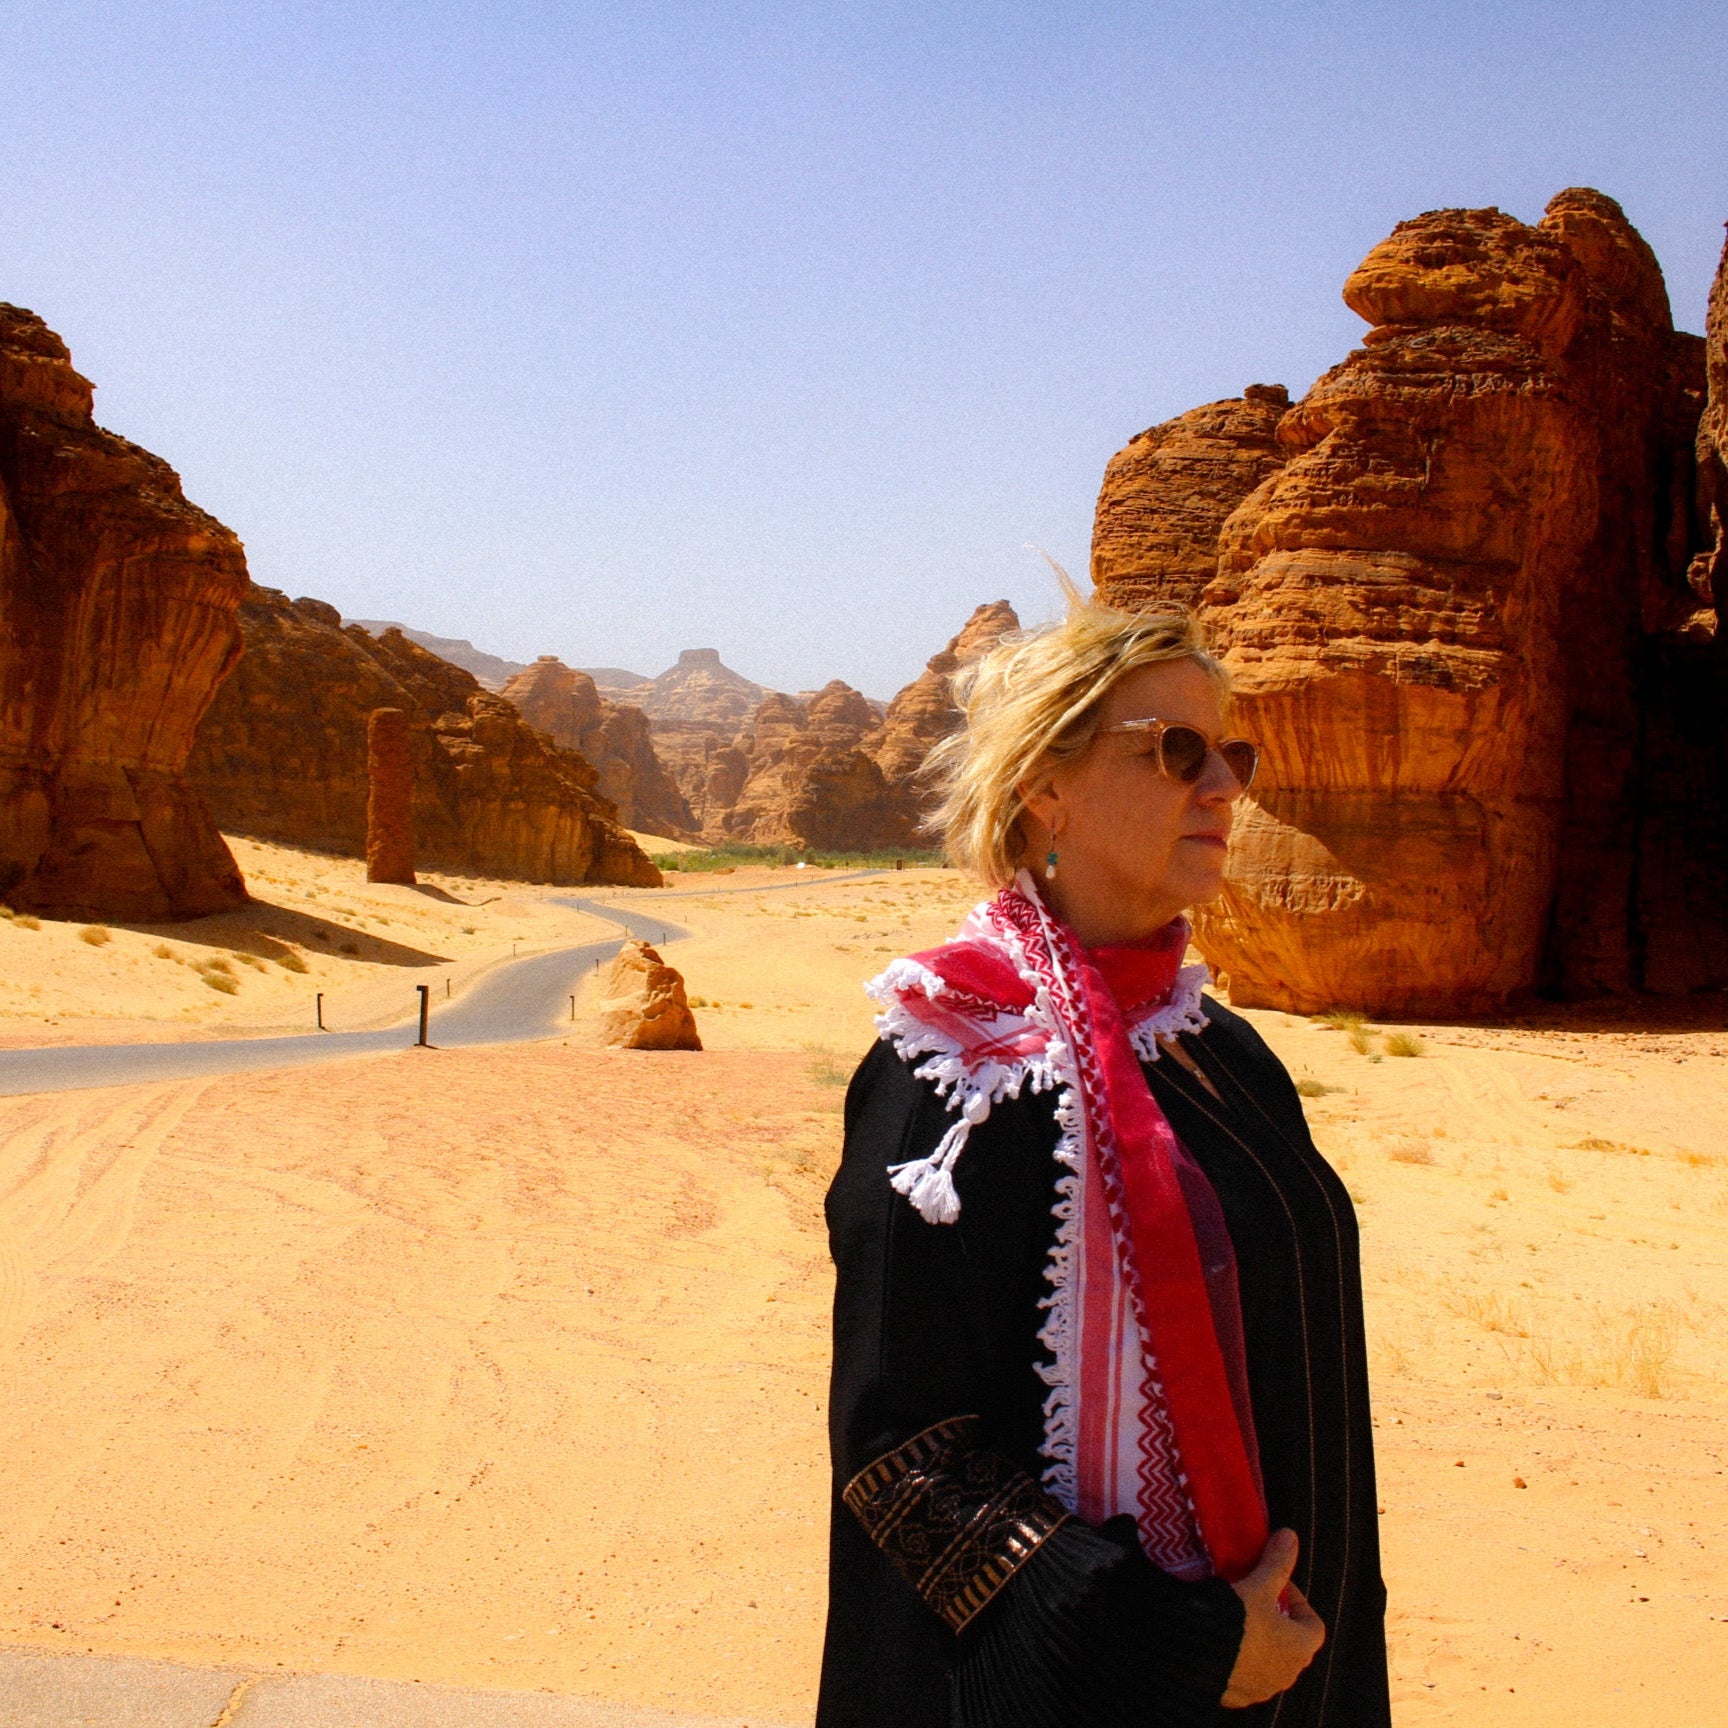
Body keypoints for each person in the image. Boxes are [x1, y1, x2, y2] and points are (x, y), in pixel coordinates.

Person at [817, 598, 1389, 1728]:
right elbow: (906, 1459)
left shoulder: (1222, 1052)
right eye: (1177, 751)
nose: (1224, 786)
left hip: (1297, 1683)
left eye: (1235, 751)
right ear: (1045, 787)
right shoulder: (958, 1068)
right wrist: (1183, 1647)